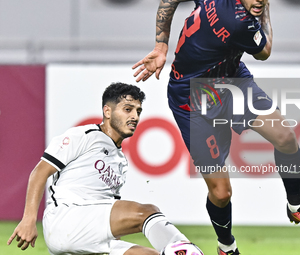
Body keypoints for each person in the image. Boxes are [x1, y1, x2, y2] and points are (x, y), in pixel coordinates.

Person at [132, 0, 300, 254]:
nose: (259, 0)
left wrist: (161, 45)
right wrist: (267, 10)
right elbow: (264, 52)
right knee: (221, 192)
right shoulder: (241, 22)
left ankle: (296, 206)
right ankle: (226, 245)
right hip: (192, 98)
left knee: (285, 137)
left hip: (232, 81)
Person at [7, 82, 193, 255]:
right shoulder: (84, 136)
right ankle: (189, 251)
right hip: (66, 219)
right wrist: (29, 219)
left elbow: (107, 208)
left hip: (88, 234)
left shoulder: (120, 162)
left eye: (138, 111)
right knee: (148, 212)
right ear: (107, 111)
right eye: (128, 109)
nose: (134, 117)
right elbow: (40, 172)